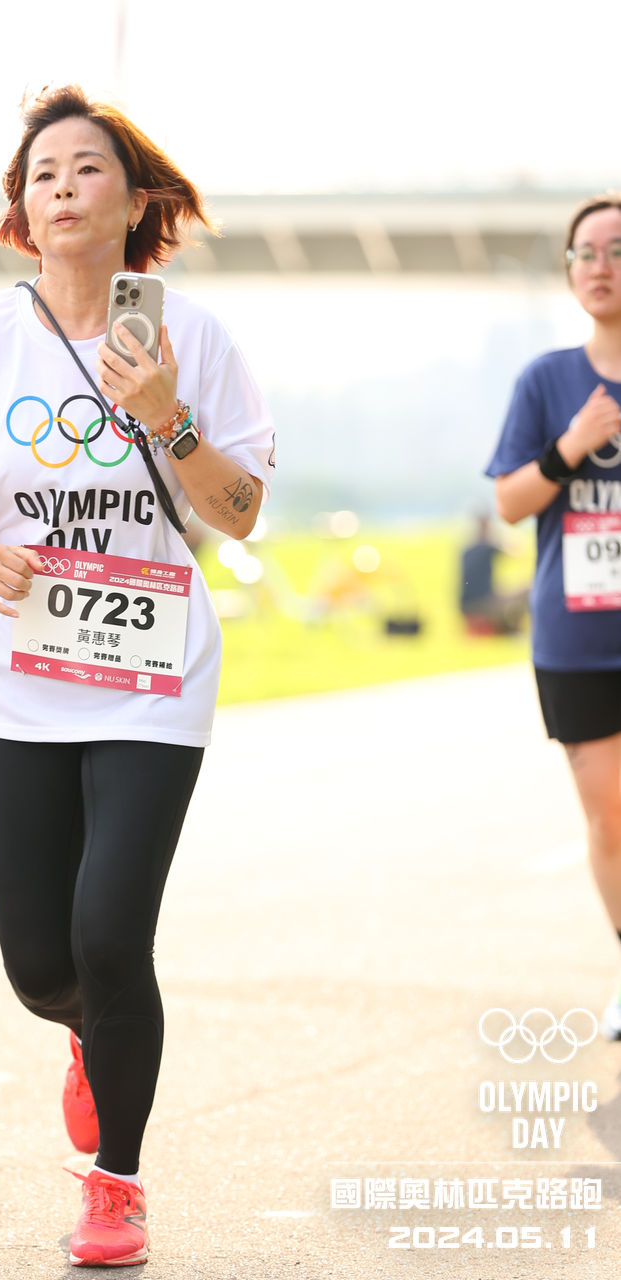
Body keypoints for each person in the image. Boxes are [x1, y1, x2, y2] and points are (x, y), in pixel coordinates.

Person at [0, 84, 275, 1268]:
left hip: (153, 677)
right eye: (41, 174)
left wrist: (168, 415)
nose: (61, 187)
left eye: (85, 168)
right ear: (25, 209)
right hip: (14, 679)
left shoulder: (194, 337)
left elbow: (240, 511)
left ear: (136, 200)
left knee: (111, 933)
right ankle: (86, 1034)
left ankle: (117, 1182)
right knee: (40, 964)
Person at [486, 193, 621, 1039]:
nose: (599, 266)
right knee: (609, 817)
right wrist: (570, 446)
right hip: (577, 638)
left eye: (616, 250)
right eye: (584, 253)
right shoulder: (546, 379)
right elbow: (508, 502)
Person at [457, 512, 528, 635]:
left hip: (464, 605)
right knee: (527, 591)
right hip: (484, 602)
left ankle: (505, 628)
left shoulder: (466, 550)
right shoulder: (488, 547)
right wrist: (503, 533)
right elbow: (516, 551)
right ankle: (512, 630)